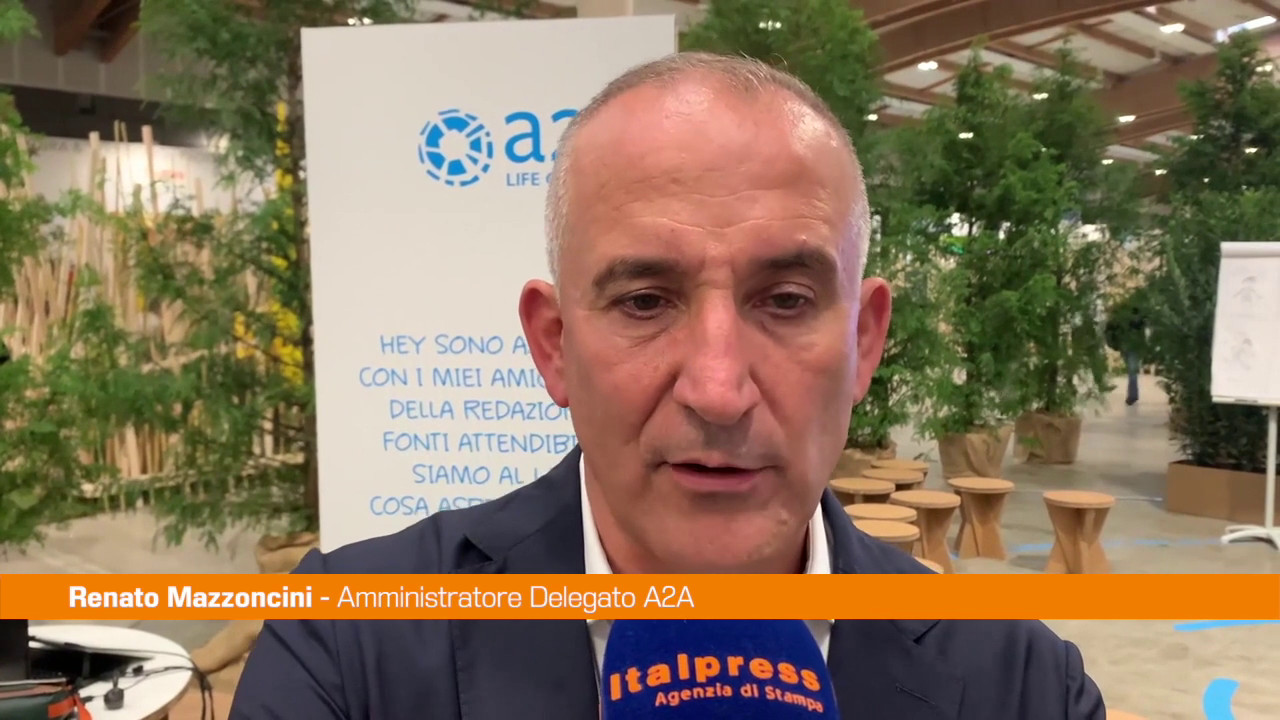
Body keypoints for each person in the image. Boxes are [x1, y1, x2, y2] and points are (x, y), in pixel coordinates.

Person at [231, 52, 1105, 719]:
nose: (718, 391)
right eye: (645, 301)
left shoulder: (1023, 686)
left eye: (786, 300)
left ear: (864, 341)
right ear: (555, 346)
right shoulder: (349, 646)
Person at [1105, 288, 1148, 406]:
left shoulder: (1133, 313)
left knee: (1132, 370)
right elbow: (1110, 329)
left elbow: (1109, 329)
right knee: (1131, 370)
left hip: (1130, 346)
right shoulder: (1132, 314)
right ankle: (1133, 394)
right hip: (1127, 345)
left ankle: (1132, 395)